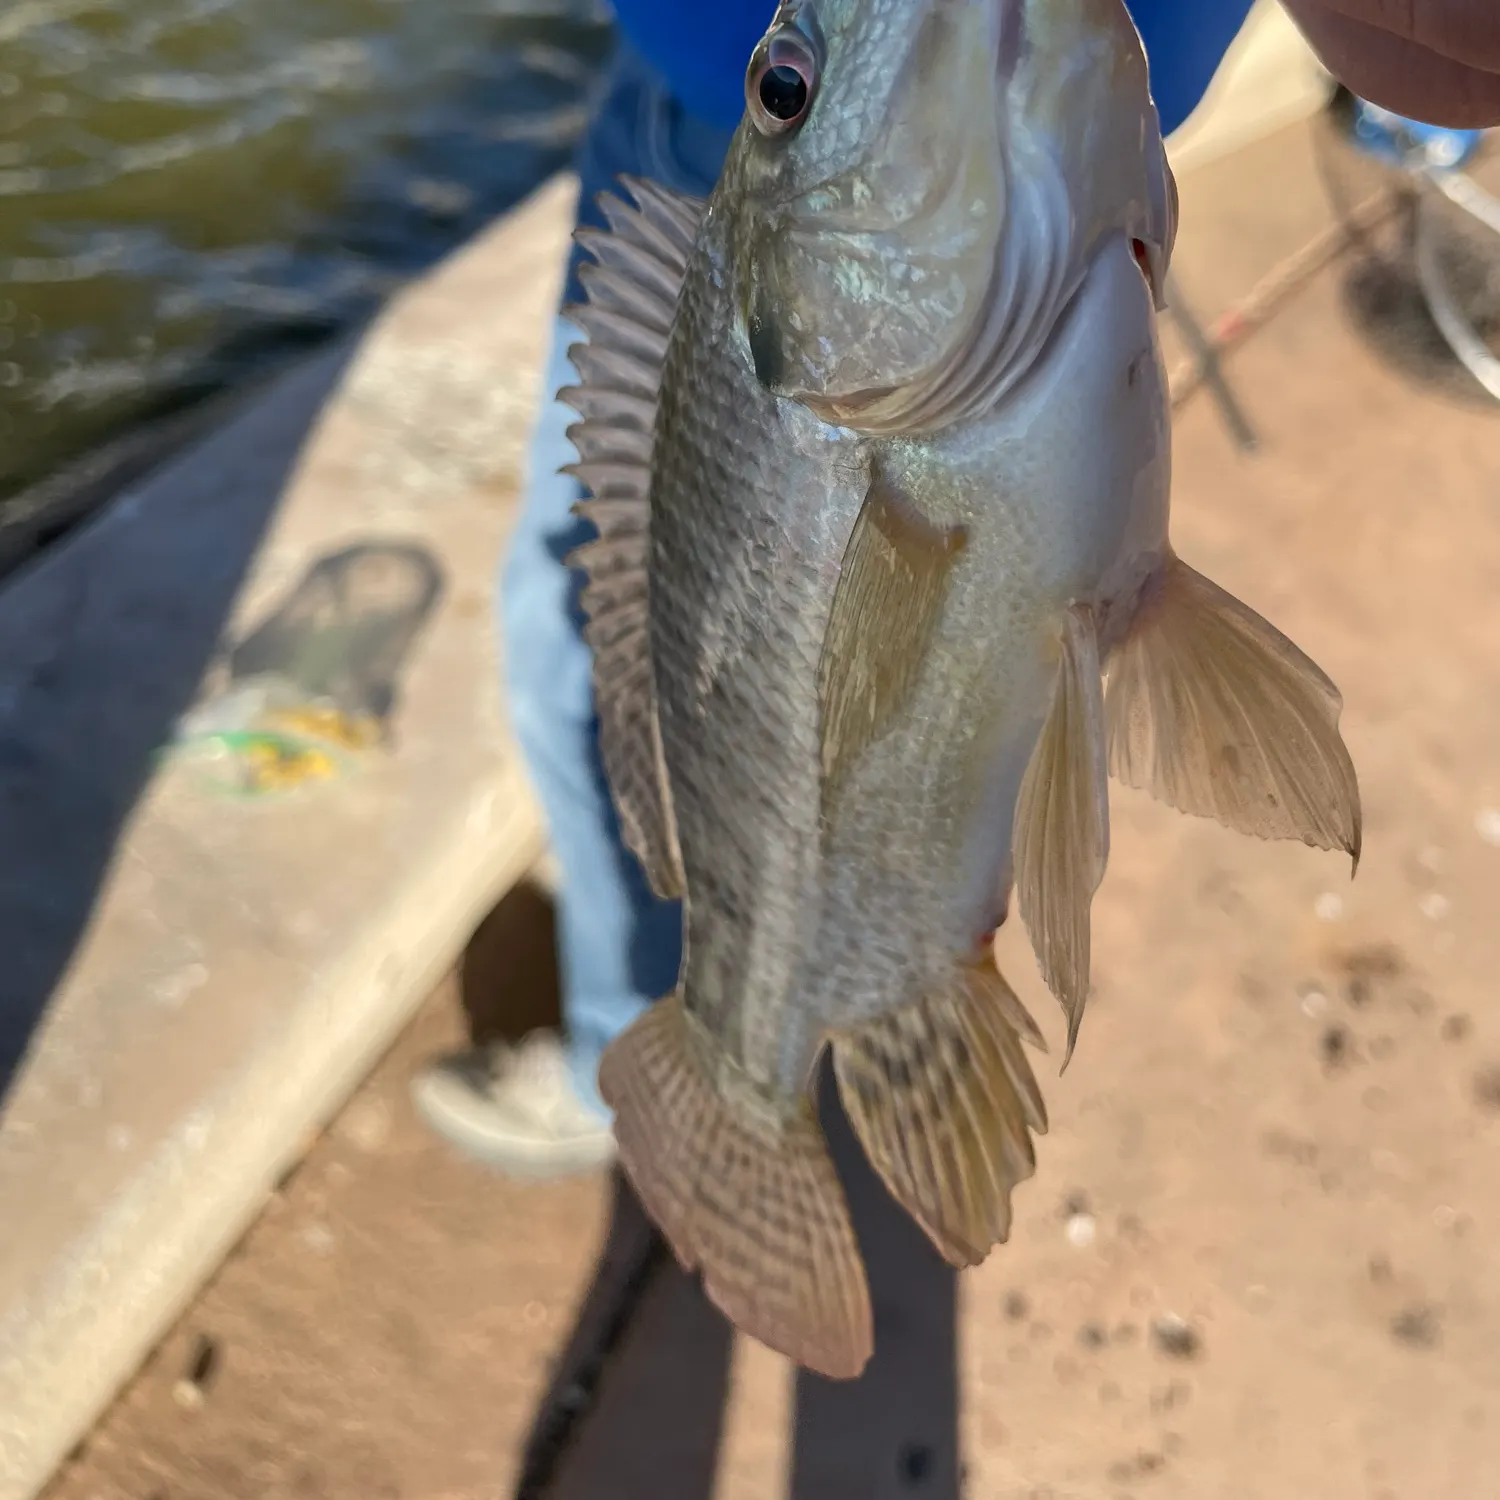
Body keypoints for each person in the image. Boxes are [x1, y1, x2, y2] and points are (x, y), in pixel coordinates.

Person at [412, 0, 1500, 1177]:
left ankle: (685, 1042)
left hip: (983, 124)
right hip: (775, 107)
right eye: (793, 90)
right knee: (580, 614)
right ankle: (648, 1046)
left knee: (578, 617)